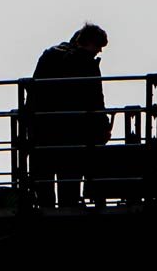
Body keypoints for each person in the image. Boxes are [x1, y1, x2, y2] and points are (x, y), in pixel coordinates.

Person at [25, 22, 110, 207]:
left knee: (43, 182)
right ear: (88, 43)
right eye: (98, 47)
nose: (99, 52)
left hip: (43, 131)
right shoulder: (86, 64)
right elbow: (96, 100)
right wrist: (103, 126)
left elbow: (32, 93)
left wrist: (29, 125)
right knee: (69, 184)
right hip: (73, 133)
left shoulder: (49, 55)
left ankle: (45, 214)